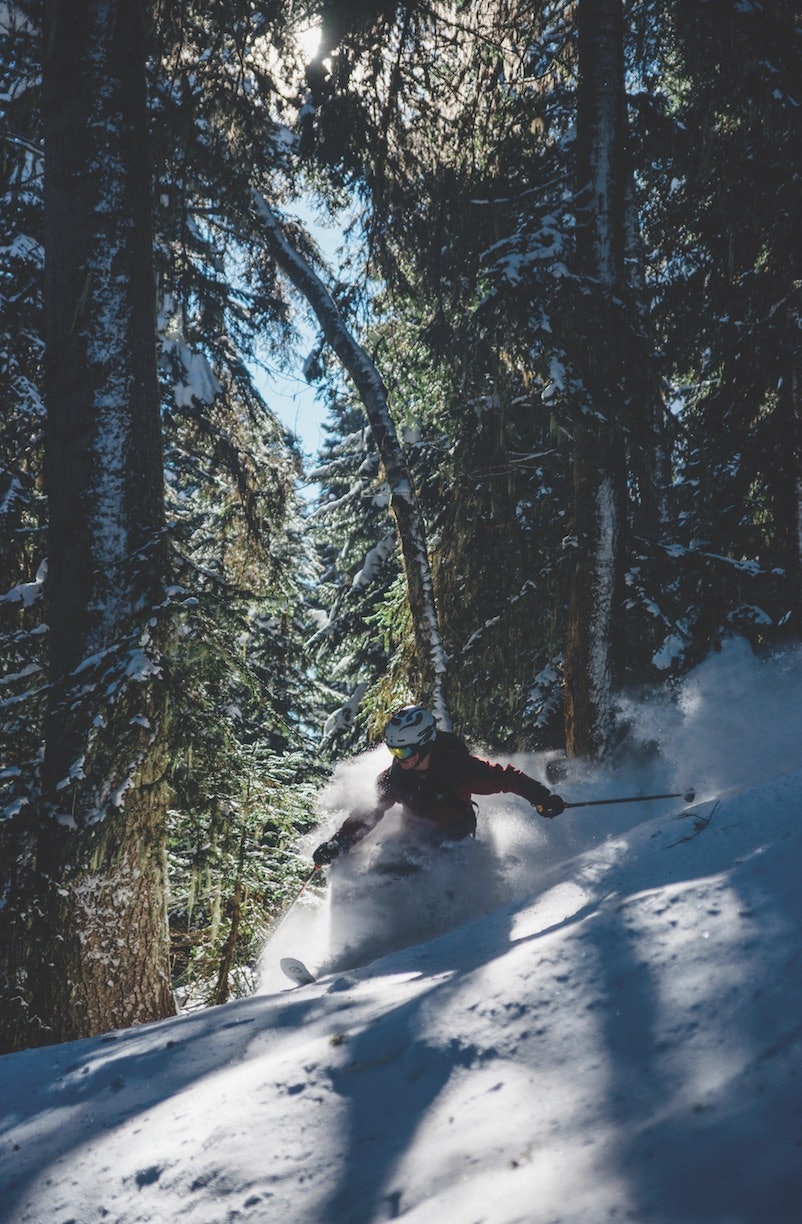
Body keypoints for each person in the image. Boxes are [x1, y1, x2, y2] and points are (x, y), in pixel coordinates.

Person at [313, 705, 565, 866]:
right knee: (386, 870)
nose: (399, 757)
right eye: (394, 750)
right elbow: (370, 813)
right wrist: (339, 843)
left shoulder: (458, 767)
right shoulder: (394, 777)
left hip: (455, 838)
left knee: (438, 871)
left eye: (405, 750)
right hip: (414, 840)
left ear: (424, 744)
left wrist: (541, 797)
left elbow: (507, 778)